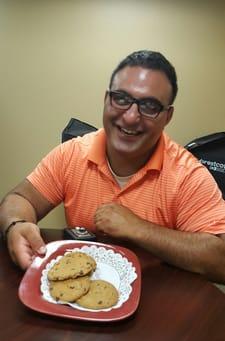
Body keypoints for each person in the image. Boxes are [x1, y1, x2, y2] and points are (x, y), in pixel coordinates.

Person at [1, 49, 225, 283]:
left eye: (149, 106)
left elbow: (221, 260)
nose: (130, 117)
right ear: (106, 100)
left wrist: (139, 228)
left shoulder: (188, 174)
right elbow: (19, 199)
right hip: (79, 297)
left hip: (158, 302)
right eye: (121, 99)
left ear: (167, 117)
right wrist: (16, 225)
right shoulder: (71, 154)